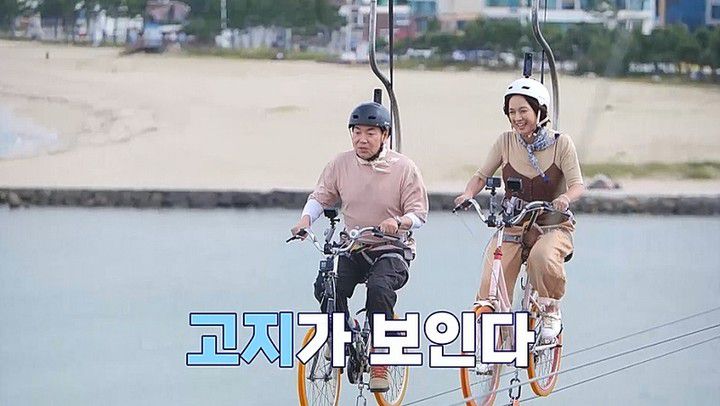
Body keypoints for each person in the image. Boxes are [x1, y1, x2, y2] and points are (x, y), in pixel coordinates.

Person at [290, 102, 429, 392]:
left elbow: (419, 214)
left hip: (392, 248)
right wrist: (305, 221)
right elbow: (320, 198)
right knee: (326, 287)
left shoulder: (403, 168)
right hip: (353, 246)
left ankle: (381, 358)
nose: (362, 139)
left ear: (385, 135)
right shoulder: (340, 165)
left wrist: (399, 222)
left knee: (379, 288)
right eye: (357, 132)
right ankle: (343, 334)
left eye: (370, 133)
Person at [454, 77, 585, 342]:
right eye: (511, 112)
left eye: (523, 110)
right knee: (493, 275)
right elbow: (481, 176)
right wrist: (468, 194)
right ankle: (496, 334)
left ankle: (550, 310)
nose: (517, 118)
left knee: (542, 257)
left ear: (540, 111)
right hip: (513, 224)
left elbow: (577, 185)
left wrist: (564, 199)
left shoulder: (561, 143)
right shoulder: (505, 142)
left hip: (552, 225)